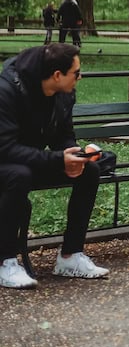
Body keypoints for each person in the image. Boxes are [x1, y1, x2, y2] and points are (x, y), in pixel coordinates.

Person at [0, 43, 109, 289]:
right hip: (6, 163)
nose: (80, 78)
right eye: (77, 73)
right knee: (19, 175)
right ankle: (4, 262)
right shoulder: (6, 91)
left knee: (89, 171)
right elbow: (5, 148)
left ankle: (70, 256)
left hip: (27, 162)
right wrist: (58, 159)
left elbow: (63, 135)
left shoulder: (64, 93)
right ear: (57, 75)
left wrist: (73, 156)